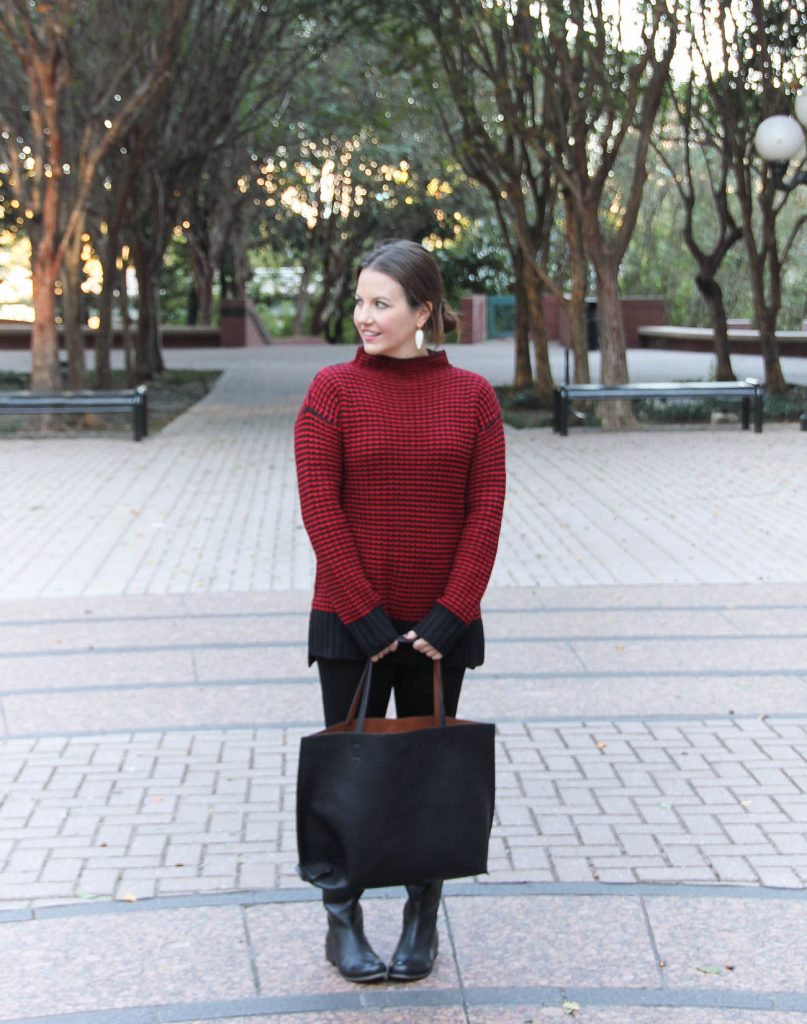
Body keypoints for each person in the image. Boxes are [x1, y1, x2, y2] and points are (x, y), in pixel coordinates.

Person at [294, 239, 506, 984]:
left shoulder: (472, 398)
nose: (364, 316)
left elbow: (485, 512)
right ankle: (341, 920)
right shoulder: (330, 391)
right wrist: (364, 617)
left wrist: (450, 616)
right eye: (360, 301)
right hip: (355, 629)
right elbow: (320, 508)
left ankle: (421, 918)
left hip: (439, 632)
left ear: (423, 311)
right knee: (346, 778)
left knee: (429, 779)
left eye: (381, 303)